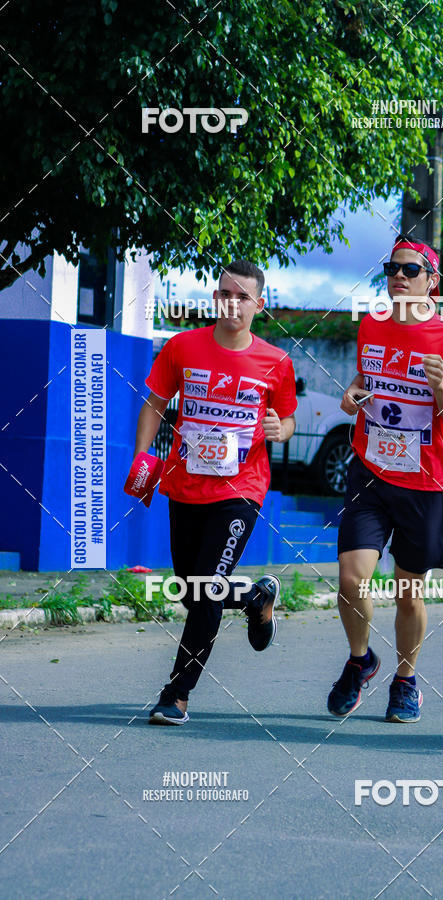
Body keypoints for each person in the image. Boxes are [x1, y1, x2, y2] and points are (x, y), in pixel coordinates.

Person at [131, 260, 297, 725]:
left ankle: (177, 693)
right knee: (192, 590)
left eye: (244, 296)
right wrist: (144, 458)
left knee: (204, 590)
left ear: (259, 305)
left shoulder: (276, 362)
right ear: (214, 298)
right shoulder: (183, 347)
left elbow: (288, 419)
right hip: (185, 486)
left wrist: (279, 430)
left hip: (241, 489)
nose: (233, 302)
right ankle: (252, 599)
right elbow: (154, 404)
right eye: (226, 292)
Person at [328, 236, 443, 722]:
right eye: (392, 267)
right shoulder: (371, 325)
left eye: (410, 270)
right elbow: (362, 385)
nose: (398, 276)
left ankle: (406, 681)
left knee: (409, 593)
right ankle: (360, 660)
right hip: (369, 470)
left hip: (425, 482)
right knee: (351, 581)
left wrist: (441, 386)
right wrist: (352, 397)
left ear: (432, 283)